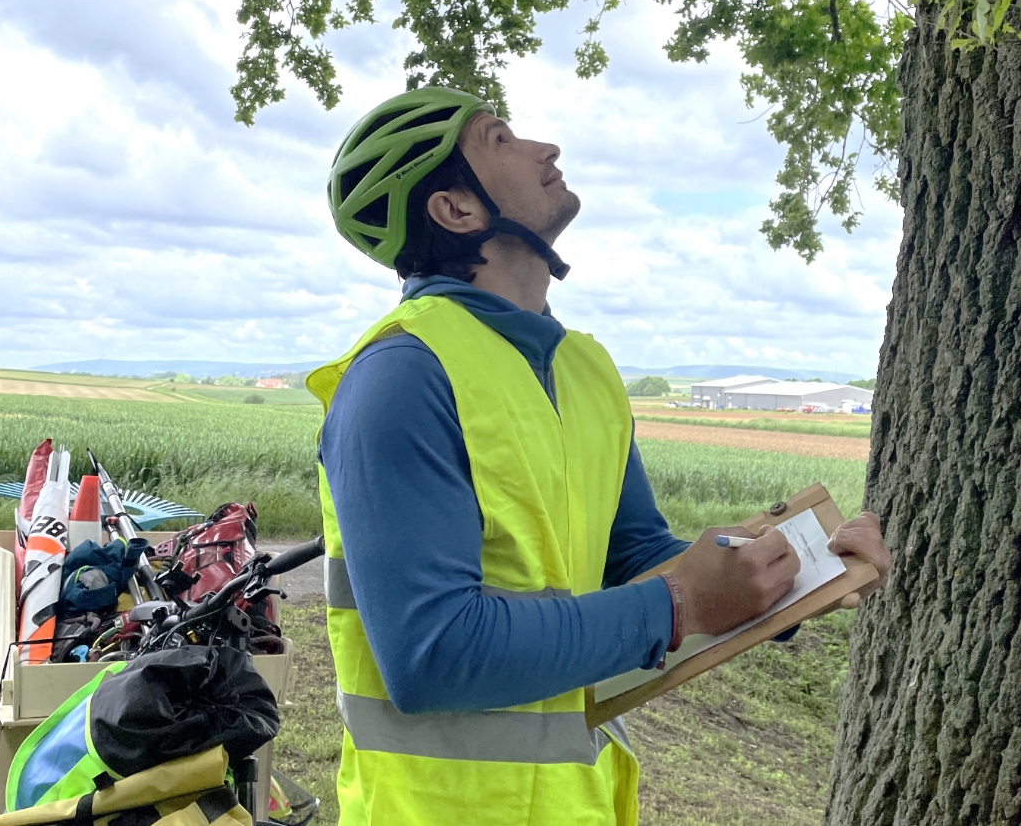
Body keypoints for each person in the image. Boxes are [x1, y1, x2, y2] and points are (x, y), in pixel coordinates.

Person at [307, 87, 893, 826]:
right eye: (500, 141)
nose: (544, 149)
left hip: (581, 803)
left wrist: (794, 575)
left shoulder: (583, 369)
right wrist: (679, 603)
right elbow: (431, 653)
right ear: (456, 210)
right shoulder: (403, 374)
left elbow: (636, 556)